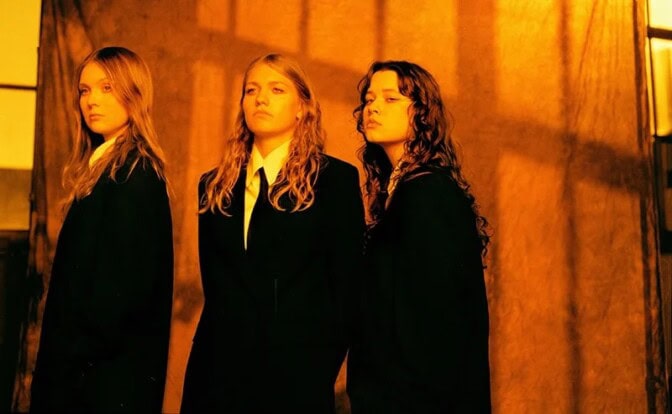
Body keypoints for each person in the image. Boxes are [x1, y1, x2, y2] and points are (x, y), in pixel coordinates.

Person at [180, 53, 364, 414]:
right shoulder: (213, 185)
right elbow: (217, 291)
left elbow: (347, 291)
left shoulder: (334, 181)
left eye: (276, 89)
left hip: (295, 383)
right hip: (215, 381)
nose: (260, 99)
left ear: (302, 107)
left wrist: (316, 372)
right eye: (251, 90)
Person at [30, 47, 174, 413]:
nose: (91, 100)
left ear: (134, 93)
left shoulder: (133, 174)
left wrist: (68, 366)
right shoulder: (107, 166)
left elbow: (119, 299)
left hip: (97, 386)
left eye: (106, 88)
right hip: (87, 378)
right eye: (85, 90)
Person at [347, 60, 492, 413]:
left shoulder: (427, 194)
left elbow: (435, 323)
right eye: (369, 99)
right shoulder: (402, 191)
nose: (373, 107)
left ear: (421, 112)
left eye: (390, 99)